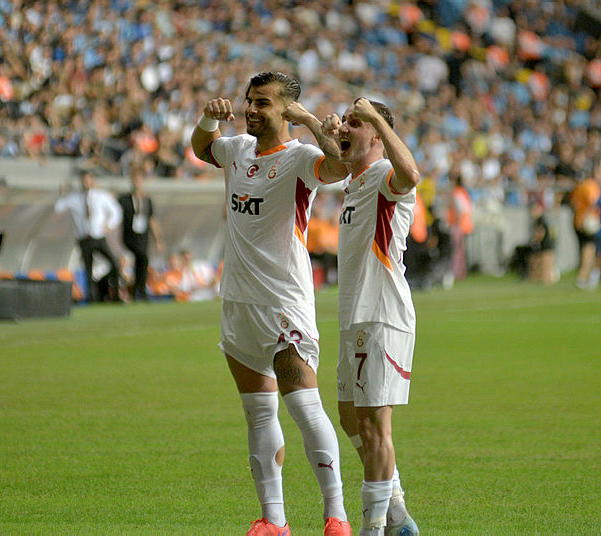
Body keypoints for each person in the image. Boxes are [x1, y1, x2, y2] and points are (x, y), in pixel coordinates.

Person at [190, 71, 351, 536]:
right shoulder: (237, 148)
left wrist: (308, 120)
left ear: (285, 109)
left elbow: (340, 167)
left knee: (303, 406)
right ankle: (273, 520)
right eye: (249, 101)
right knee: (258, 413)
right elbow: (202, 148)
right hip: (238, 301)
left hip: (284, 301)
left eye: (262, 102)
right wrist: (207, 118)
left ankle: (335, 515)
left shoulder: (301, 159)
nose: (251, 109)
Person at [290, 97, 421, 536]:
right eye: (345, 121)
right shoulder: (357, 178)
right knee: (349, 416)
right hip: (354, 318)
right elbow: (335, 152)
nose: (345, 127)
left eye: (355, 123)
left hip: (382, 314)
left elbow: (412, 175)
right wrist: (313, 121)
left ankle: (375, 526)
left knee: (374, 423)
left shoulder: (386, 176)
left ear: (377, 134)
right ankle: (396, 504)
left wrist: (378, 121)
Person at [54, 170, 122, 302]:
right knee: (88, 269)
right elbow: (58, 208)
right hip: (84, 238)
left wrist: (109, 225)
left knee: (114, 263)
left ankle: (115, 294)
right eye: (84, 180)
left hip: (98, 237)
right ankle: (93, 298)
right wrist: (62, 194)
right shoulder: (75, 198)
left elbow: (116, 211)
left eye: (89, 179)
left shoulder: (101, 196)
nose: (87, 182)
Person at [118, 166, 163, 301]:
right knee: (142, 258)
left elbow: (152, 220)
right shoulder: (125, 200)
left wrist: (158, 240)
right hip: (129, 236)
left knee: (142, 261)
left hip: (143, 236)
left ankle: (139, 290)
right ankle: (138, 290)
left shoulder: (147, 201)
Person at [569, 170, 601, 289]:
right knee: (589, 249)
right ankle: (583, 277)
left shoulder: (577, 188)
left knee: (584, 249)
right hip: (587, 222)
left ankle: (585, 276)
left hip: (577, 221)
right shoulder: (590, 186)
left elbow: (573, 204)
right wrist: (586, 217)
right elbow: (593, 202)